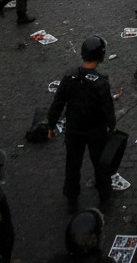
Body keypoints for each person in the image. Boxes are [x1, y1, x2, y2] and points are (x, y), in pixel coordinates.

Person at [46, 36, 116, 212]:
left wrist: (51, 126)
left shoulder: (70, 78)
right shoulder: (101, 83)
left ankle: (71, 194)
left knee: (72, 163)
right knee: (100, 163)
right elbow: (108, 110)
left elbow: (57, 104)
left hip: (74, 130)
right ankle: (105, 193)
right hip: (95, 132)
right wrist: (112, 127)